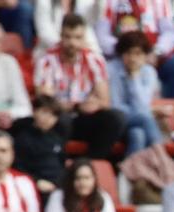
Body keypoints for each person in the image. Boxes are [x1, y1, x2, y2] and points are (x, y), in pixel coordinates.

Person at [31, 15, 126, 155]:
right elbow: (45, 102)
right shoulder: (46, 61)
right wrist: (75, 105)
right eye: (68, 37)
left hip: (84, 118)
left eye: (77, 37)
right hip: (58, 119)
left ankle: (94, 163)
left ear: (84, 38)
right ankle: (59, 167)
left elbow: (104, 100)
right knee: (61, 120)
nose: (72, 43)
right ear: (61, 36)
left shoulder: (94, 60)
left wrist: (94, 105)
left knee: (116, 118)